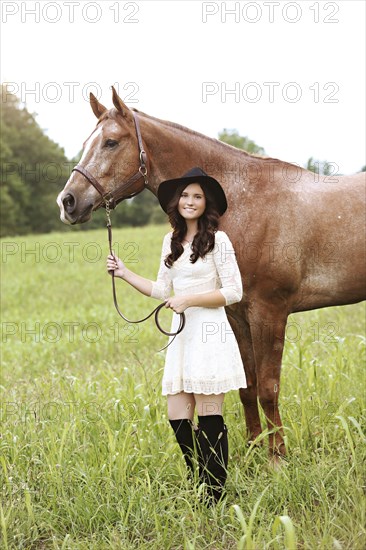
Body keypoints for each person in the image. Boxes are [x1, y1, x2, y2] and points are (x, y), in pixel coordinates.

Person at [106, 167, 246, 503]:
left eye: (197, 196)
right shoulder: (169, 241)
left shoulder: (219, 240)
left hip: (210, 334)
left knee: (209, 414)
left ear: (206, 203)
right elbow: (160, 289)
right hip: (181, 337)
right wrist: (124, 273)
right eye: (185, 195)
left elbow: (234, 292)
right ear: (176, 201)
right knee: (178, 416)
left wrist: (189, 300)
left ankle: (214, 492)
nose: (190, 201)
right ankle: (203, 477)